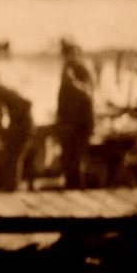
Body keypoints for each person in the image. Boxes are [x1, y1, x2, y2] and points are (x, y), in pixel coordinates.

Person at [0, 70, 34, 191]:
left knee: (14, 156)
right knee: (13, 156)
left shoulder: (1, 91)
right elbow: (2, 114)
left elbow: (27, 104)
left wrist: (11, 121)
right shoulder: (3, 90)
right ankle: (11, 185)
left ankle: (12, 186)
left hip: (23, 125)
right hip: (21, 124)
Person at [55, 38, 95, 189]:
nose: (67, 57)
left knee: (77, 159)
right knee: (67, 159)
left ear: (78, 54)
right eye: (66, 54)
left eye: (71, 53)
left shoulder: (83, 69)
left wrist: (72, 81)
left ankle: (77, 191)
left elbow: (87, 93)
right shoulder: (66, 68)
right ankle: (70, 189)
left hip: (81, 123)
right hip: (67, 122)